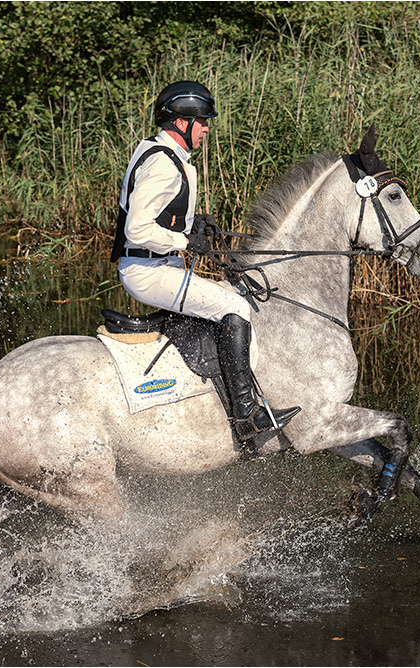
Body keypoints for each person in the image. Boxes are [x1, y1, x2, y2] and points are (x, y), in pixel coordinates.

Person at [110, 81, 300, 443]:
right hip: (148, 271)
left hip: (158, 265)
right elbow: (136, 229)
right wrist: (182, 239)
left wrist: (190, 223)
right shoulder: (164, 166)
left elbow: (155, 211)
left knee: (226, 295)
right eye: (202, 121)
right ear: (182, 123)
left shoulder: (156, 151)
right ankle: (246, 412)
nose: (207, 128)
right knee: (234, 305)